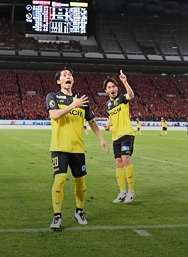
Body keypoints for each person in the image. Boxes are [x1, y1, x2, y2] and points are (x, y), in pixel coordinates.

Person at [46, 67, 109, 231]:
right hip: (59, 147)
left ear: (72, 80)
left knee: (80, 182)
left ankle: (79, 211)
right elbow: (54, 115)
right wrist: (73, 105)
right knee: (60, 179)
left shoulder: (82, 100)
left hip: (78, 149)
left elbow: (92, 121)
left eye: (70, 75)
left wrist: (101, 139)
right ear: (59, 81)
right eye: (64, 75)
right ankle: (57, 216)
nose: (68, 76)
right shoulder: (53, 97)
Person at [103, 70, 137, 204]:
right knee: (118, 162)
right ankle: (122, 192)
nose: (112, 89)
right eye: (109, 87)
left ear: (117, 88)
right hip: (115, 136)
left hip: (126, 133)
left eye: (114, 86)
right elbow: (111, 117)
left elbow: (131, 95)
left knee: (125, 158)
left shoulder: (122, 98)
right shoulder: (108, 104)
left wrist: (125, 82)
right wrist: (108, 125)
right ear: (106, 90)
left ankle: (131, 191)